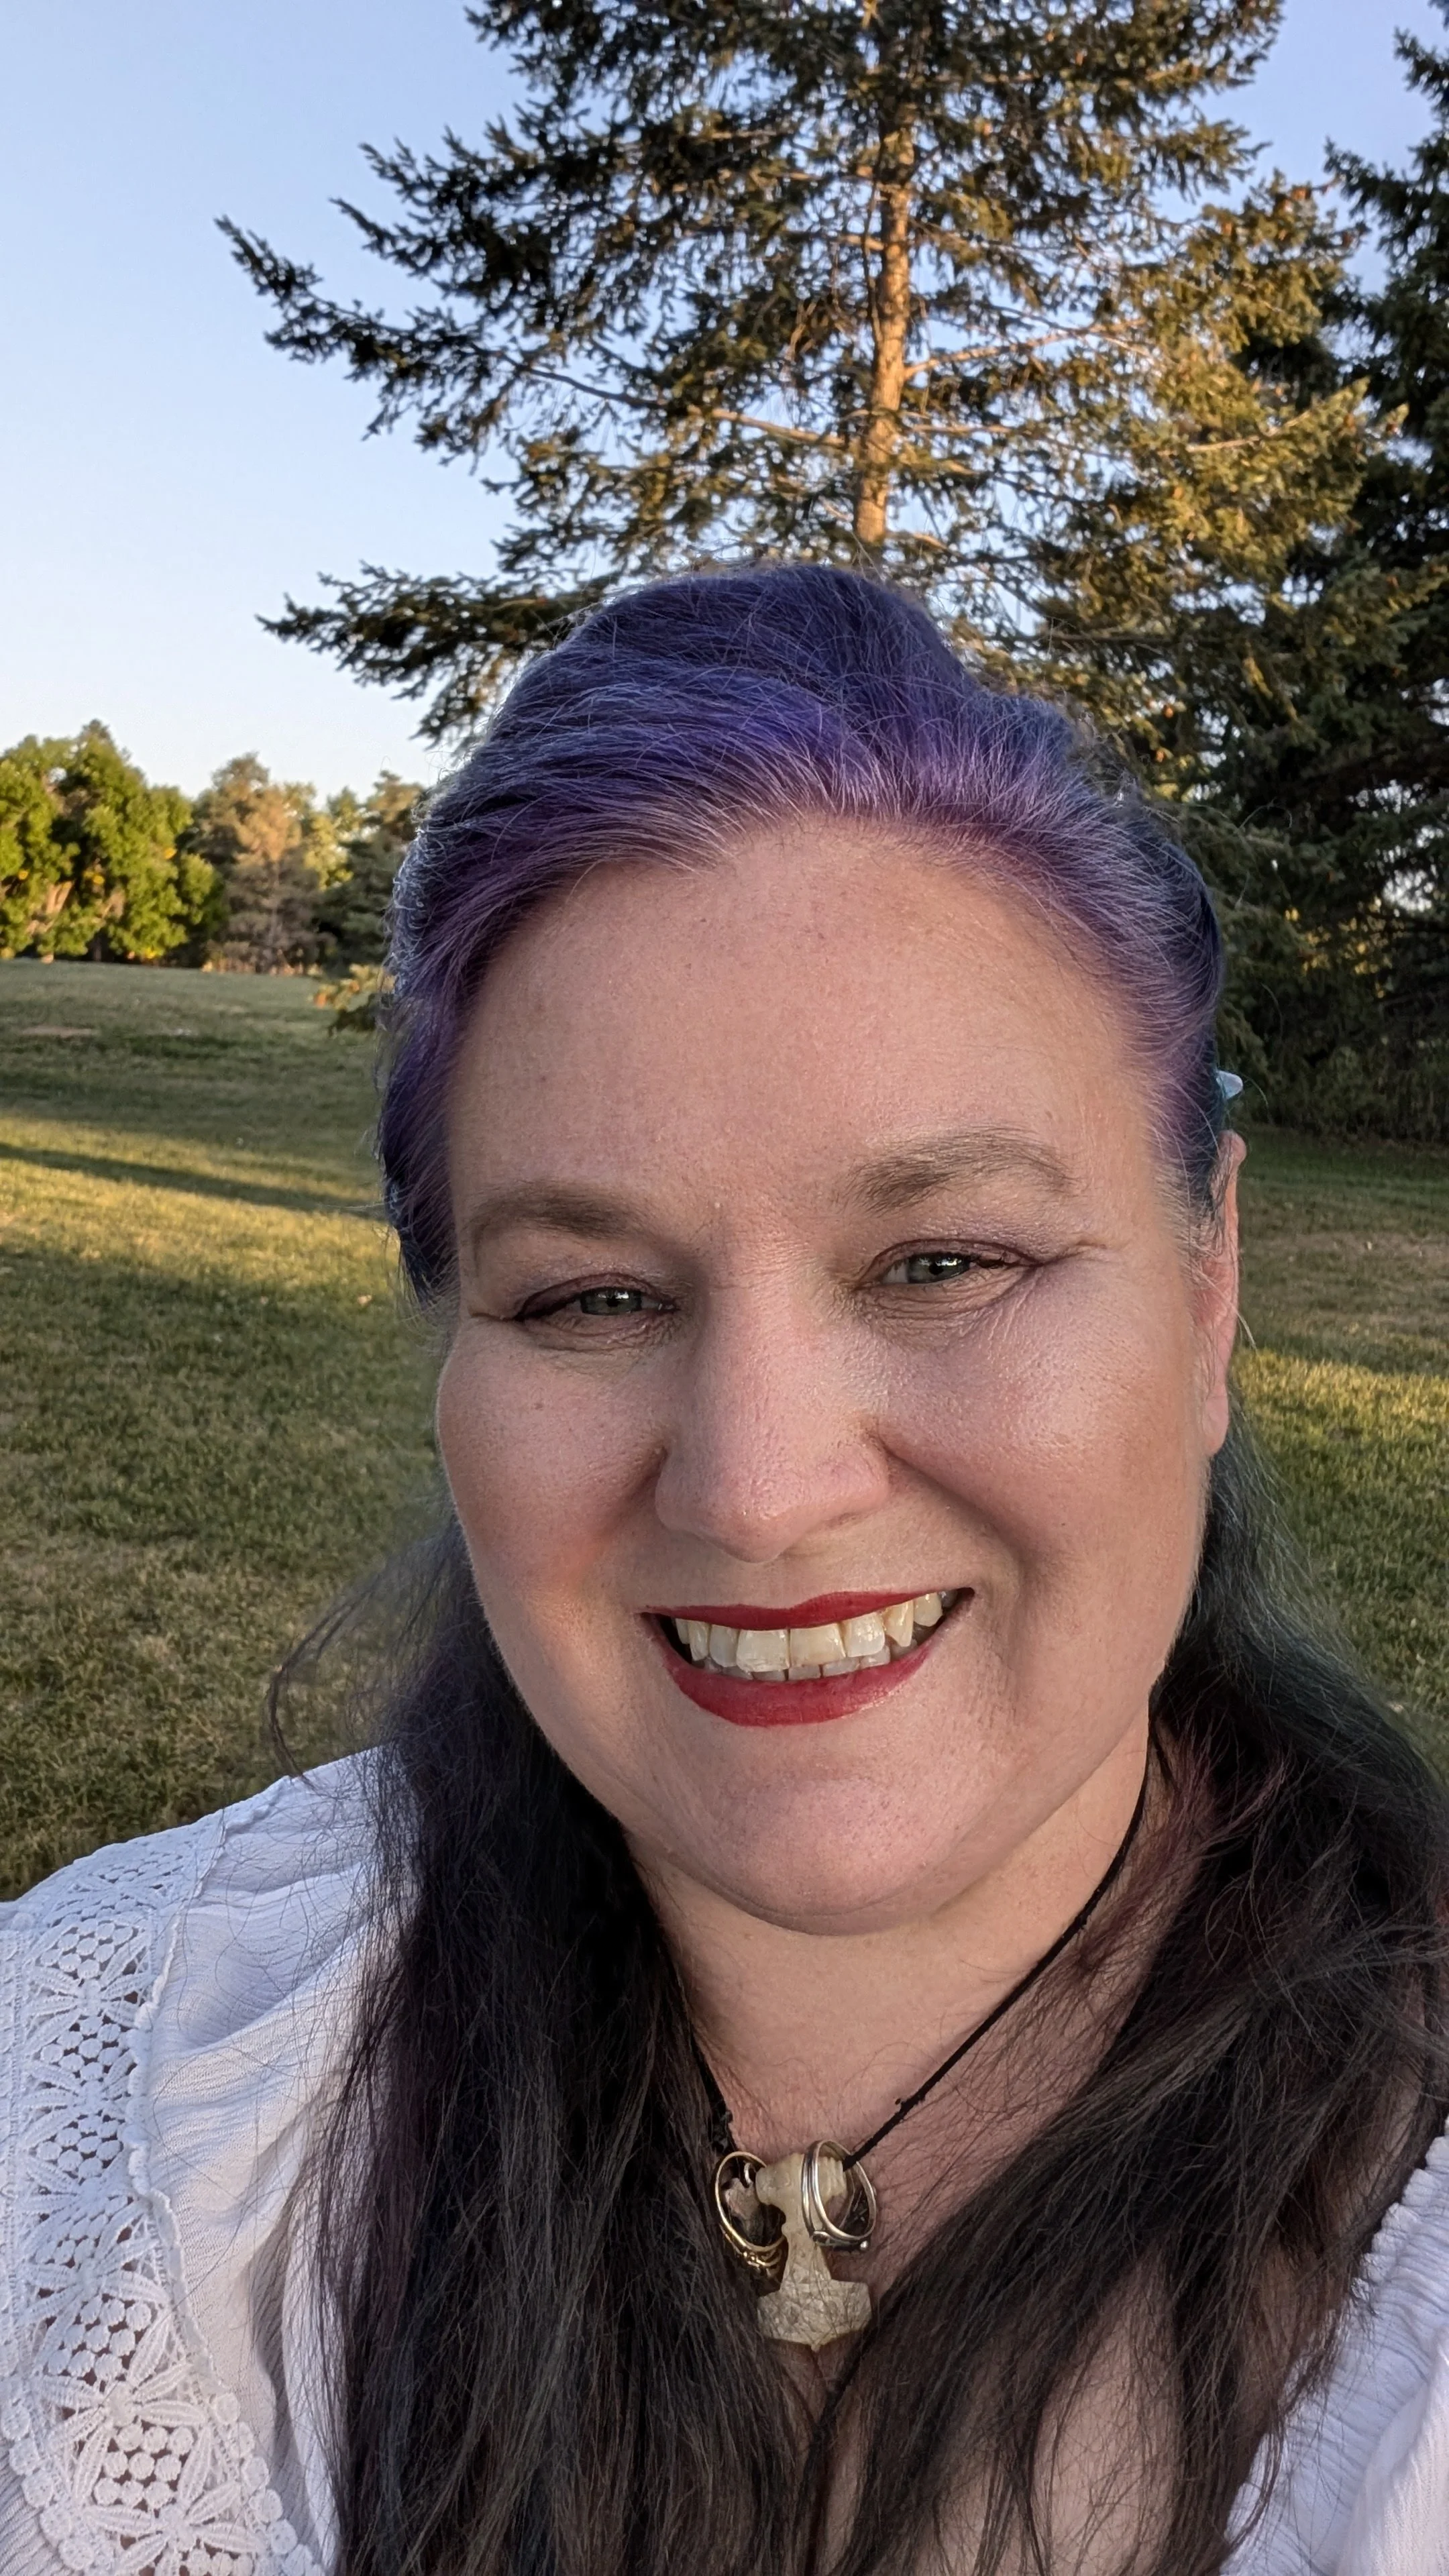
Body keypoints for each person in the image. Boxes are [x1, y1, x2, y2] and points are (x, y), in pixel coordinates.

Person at [1, 566, 1446, 2576]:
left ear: (1208, 1291)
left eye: (943, 1263)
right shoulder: (93, 2113)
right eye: (590, 1295)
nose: (761, 1487)